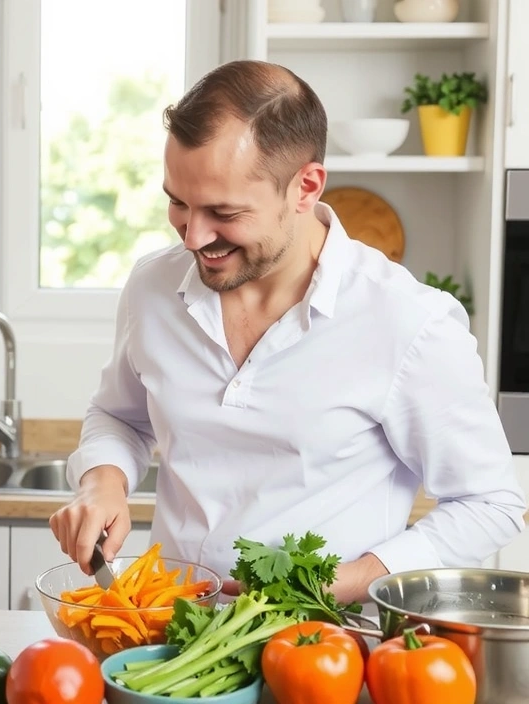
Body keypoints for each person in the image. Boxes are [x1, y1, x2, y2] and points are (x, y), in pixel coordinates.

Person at [50, 60, 527, 605]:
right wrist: (103, 479)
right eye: (178, 202)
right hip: (173, 628)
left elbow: (490, 503)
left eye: (223, 211)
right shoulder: (152, 287)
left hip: (325, 641)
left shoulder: (407, 320)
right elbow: (120, 415)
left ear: (306, 187)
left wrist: (351, 580)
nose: (193, 236)